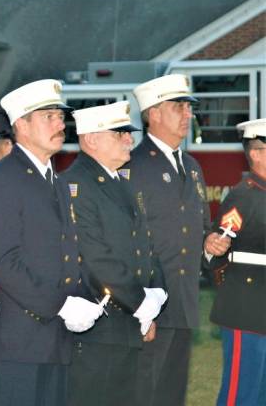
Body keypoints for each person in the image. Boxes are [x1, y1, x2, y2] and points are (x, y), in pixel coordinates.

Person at [0, 79, 104, 406]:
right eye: (49, 116)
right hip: (18, 338)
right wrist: (61, 304)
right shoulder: (4, 180)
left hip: (53, 335)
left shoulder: (56, 182)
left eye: (60, 117)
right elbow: (4, 262)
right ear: (21, 124)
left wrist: (81, 298)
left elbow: (64, 253)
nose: (61, 124)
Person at [127, 74, 231, 405]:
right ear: (153, 114)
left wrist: (209, 244)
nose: (188, 114)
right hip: (149, 303)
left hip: (183, 302)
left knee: (174, 393)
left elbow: (198, 228)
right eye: (179, 107)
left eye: (189, 108)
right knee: (145, 392)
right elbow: (126, 240)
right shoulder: (133, 166)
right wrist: (140, 305)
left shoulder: (192, 166)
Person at [61, 101, 168, 406]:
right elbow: (95, 256)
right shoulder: (75, 185)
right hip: (98, 327)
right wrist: (142, 304)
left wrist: (156, 292)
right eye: (119, 134)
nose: (130, 140)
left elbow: (144, 246)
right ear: (91, 139)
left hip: (127, 323)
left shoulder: (121, 182)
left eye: (128, 133)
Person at [209, 118, 266, 406]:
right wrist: (214, 247)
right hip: (247, 309)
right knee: (241, 394)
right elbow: (219, 245)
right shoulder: (243, 196)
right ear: (256, 153)